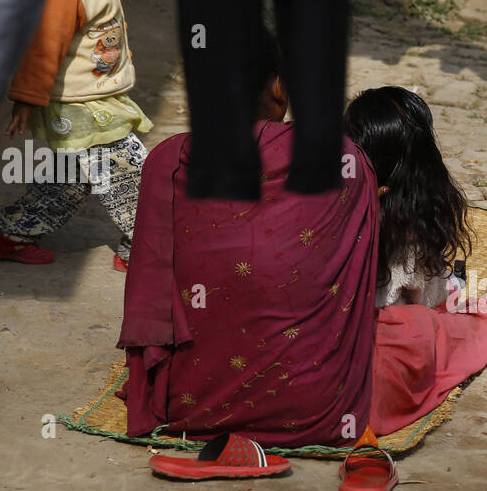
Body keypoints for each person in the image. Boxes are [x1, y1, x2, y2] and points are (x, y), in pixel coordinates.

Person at [117, 34, 379, 446]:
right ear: (278, 87)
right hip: (317, 409)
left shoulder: (167, 160)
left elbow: (150, 289)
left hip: (187, 409)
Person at [344, 87, 487, 435]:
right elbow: (428, 313)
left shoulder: (322, 204)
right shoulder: (406, 237)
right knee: (420, 329)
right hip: (365, 364)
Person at [0, 0, 152, 270]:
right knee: (129, 170)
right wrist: (27, 97)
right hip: (82, 105)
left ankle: (9, 234)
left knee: (70, 181)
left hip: (95, 97)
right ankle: (147, 250)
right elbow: (44, 45)